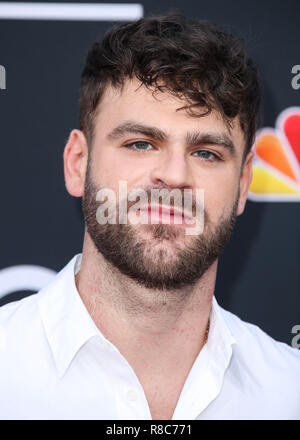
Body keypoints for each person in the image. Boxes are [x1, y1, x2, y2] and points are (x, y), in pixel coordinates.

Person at [0, 14, 299, 421]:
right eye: (141, 144)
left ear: (243, 184)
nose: (174, 176)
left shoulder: (288, 390)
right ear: (77, 163)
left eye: (206, 153)